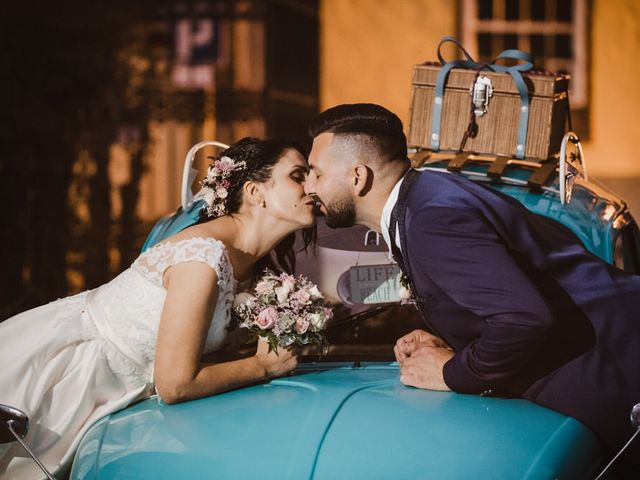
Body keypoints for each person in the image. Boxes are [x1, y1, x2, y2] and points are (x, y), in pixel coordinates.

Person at [304, 103, 640, 474]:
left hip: (620, 371)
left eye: (316, 173)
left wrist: (451, 372)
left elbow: (522, 318)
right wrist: (455, 343)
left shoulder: (430, 219)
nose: (309, 186)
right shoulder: (427, 194)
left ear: (357, 177)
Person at [0, 137, 317, 479]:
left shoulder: (255, 271)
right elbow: (176, 384)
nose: (311, 186)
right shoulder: (203, 257)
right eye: (298, 175)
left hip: (123, 398)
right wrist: (265, 366)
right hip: (71, 375)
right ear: (256, 193)